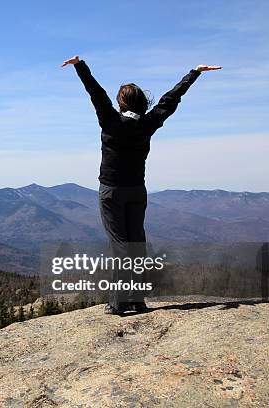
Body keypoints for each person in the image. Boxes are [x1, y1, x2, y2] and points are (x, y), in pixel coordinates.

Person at [62, 55, 221, 314]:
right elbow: (170, 100)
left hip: (112, 191)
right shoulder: (148, 123)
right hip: (137, 191)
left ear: (120, 102)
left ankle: (118, 302)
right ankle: (137, 299)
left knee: (120, 245)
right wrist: (194, 73)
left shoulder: (111, 121)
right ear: (142, 102)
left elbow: (96, 93)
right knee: (136, 243)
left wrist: (80, 66)